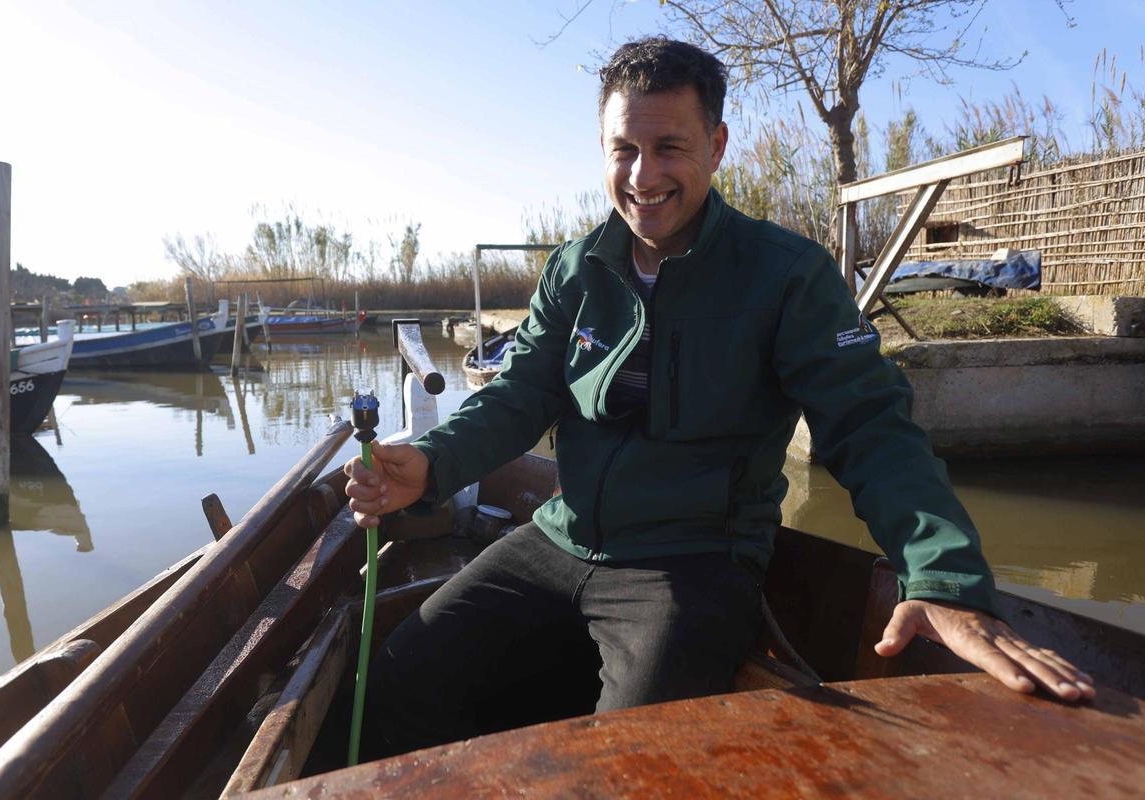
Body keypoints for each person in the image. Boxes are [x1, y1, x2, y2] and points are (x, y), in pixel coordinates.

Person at [345, 36, 1094, 758]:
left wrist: (945, 577)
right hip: (558, 537)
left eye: (669, 147)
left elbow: (871, 428)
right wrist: (431, 461)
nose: (643, 175)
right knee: (401, 678)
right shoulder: (575, 270)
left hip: (692, 563)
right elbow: (519, 394)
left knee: (631, 754)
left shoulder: (786, 276)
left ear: (717, 145)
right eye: (624, 150)